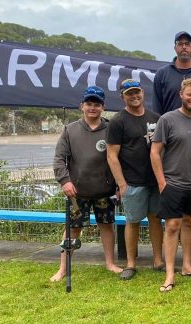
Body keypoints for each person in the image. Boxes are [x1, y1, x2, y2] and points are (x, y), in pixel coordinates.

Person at [150, 79, 191, 292]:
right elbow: (155, 152)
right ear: (181, 94)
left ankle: (187, 265)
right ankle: (170, 273)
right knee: (172, 226)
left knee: (189, 223)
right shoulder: (167, 120)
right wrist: (162, 183)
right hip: (173, 183)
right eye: (189, 94)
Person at [51, 86, 122, 282]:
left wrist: (119, 185)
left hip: (104, 191)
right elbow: (59, 159)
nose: (93, 108)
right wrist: (64, 181)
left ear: (103, 107)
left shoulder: (111, 129)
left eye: (97, 104)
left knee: (107, 226)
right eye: (89, 104)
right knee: (72, 229)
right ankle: (63, 268)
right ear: (81, 106)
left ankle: (109, 263)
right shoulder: (69, 130)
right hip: (77, 192)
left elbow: (119, 159)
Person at [106, 79, 163, 280]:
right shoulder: (117, 121)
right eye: (129, 93)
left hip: (155, 180)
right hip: (132, 181)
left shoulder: (156, 118)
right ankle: (131, 263)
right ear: (123, 97)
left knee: (156, 219)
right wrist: (121, 184)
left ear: (143, 93)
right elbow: (111, 155)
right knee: (133, 221)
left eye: (137, 92)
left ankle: (158, 261)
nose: (134, 96)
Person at [152, 31, 191, 121]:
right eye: (180, 44)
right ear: (175, 48)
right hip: (169, 129)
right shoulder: (162, 74)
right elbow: (157, 106)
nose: (184, 47)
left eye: (187, 44)